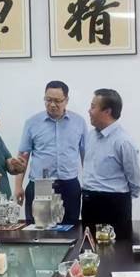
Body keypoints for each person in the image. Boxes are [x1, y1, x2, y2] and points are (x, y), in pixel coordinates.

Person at [15, 81, 86, 224]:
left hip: (69, 184)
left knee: (70, 229)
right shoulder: (32, 123)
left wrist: (89, 184)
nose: (52, 104)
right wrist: (18, 186)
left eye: (57, 101)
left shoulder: (79, 122)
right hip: (40, 184)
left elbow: (86, 156)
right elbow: (23, 157)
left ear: (66, 100)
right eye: (48, 100)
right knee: (38, 228)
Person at [81, 89, 140, 228]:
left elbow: (136, 180)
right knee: (88, 241)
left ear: (107, 112)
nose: (89, 111)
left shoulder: (123, 141)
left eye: (93, 107)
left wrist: (120, 200)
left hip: (114, 205)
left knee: (118, 242)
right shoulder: (91, 136)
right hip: (89, 202)